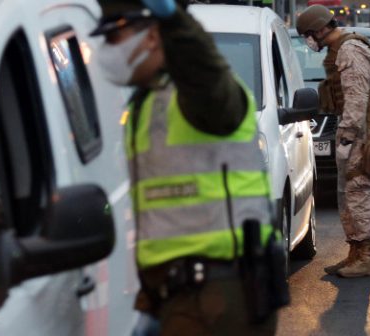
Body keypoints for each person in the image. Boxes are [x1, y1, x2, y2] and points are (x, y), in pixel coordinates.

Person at [90, 0, 286, 333]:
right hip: (181, 293)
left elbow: (204, 71)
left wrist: (176, 23)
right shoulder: (148, 102)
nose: (106, 51)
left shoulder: (202, 98)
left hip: (218, 295)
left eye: (114, 38)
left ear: (151, 37)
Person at [296, 5, 370, 278]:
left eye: (309, 35)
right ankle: (355, 253)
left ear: (321, 29)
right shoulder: (341, 48)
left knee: (359, 190)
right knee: (348, 193)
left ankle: (367, 258)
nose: (309, 41)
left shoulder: (350, 50)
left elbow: (357, 98)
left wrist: (348, 136)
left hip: (361, 131)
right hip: (355, 129)